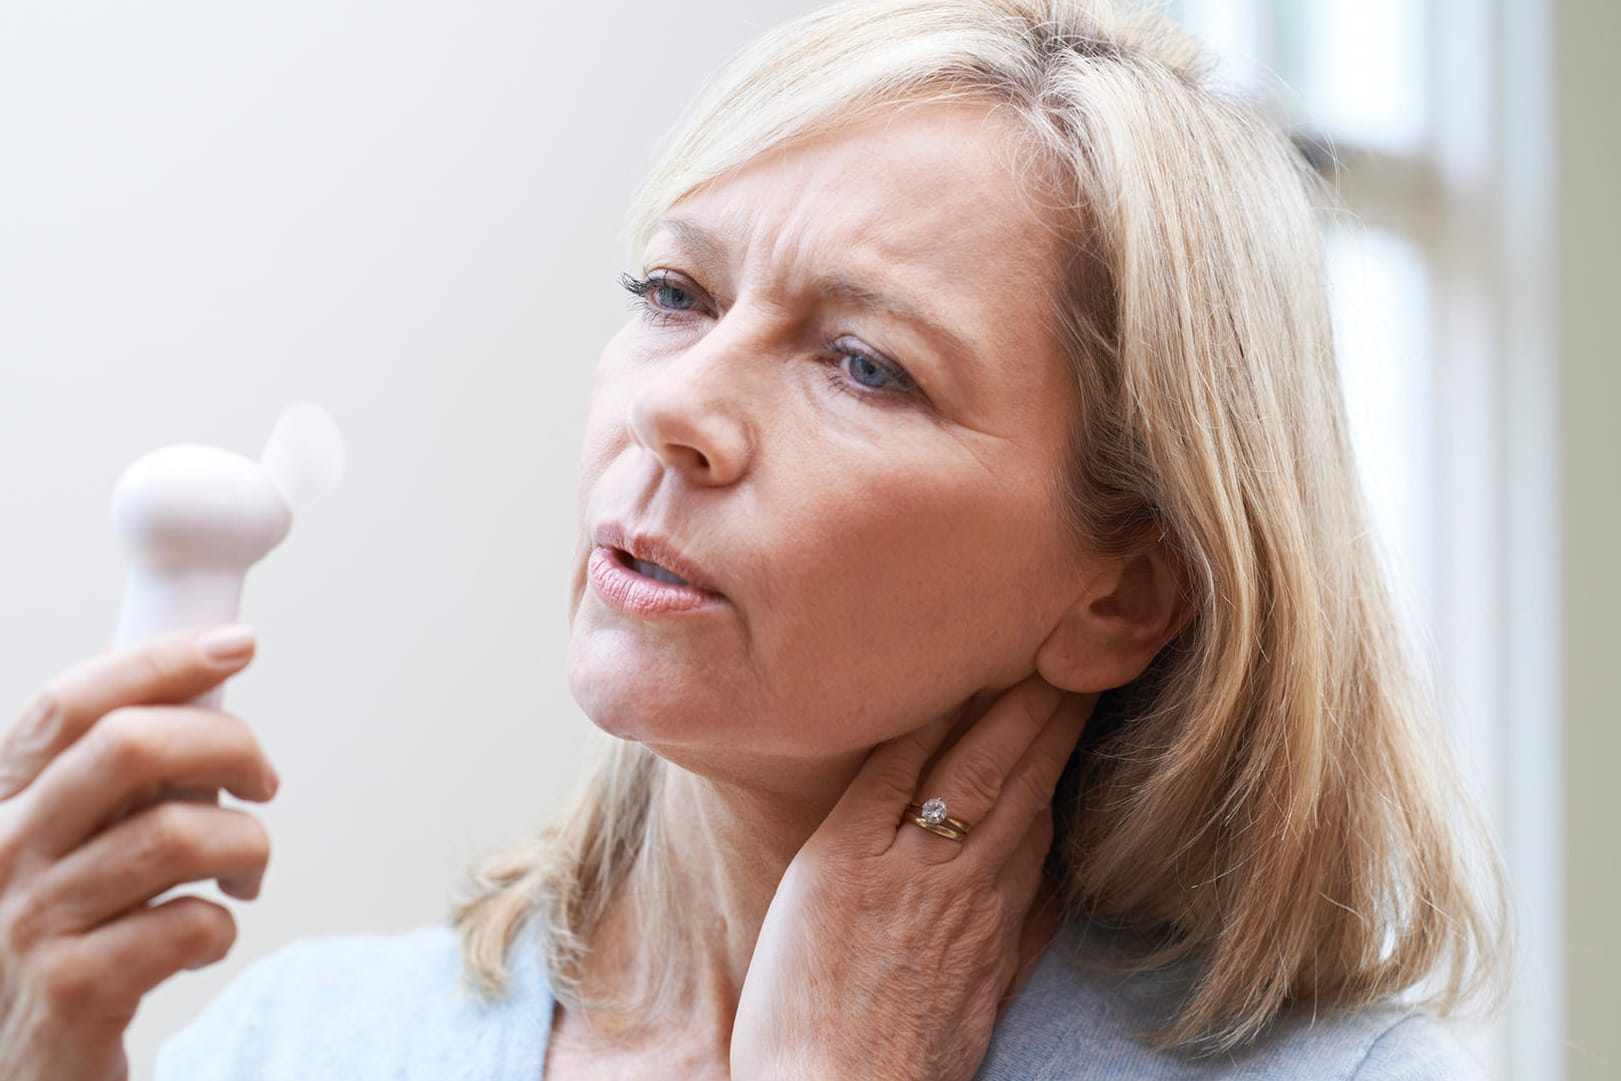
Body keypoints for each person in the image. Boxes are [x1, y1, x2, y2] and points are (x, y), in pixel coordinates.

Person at [0, 0, 1506, 1077]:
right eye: (673, 293)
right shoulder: (300, 1043)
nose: (678, 410)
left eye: (864, 364)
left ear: (1122, 593)